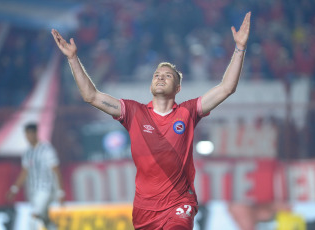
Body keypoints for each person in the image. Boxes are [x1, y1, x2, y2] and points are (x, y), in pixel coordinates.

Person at [51, 11, 251, 230]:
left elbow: (226, 88)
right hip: (145, 209)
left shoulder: (188, 111)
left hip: (179, 203)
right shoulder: (134, 112)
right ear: (150, 85)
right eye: (157, 75)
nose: (160, 77)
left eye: (167, 76)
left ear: (178, 88)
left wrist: (239, 48)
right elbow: (91, 96)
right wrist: (73, 59)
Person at [6, 123, 65, 230]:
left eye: (30, 134)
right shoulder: (27, 152)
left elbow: (56, 171)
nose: (28, 137)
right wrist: (14, 189)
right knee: (44, 218)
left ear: (35, 133)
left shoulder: (47, 150)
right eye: (26, 134)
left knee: (33, 216)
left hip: (45, 190)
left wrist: (60, 192)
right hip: (32, 191)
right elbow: (24, 172)